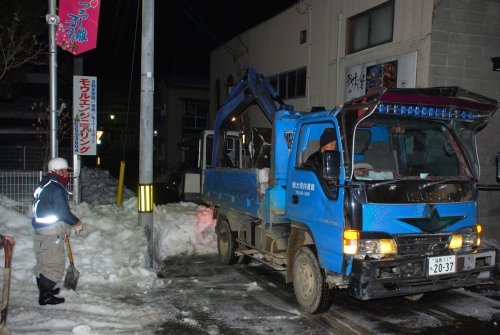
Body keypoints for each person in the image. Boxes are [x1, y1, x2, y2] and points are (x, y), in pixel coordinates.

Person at [31, 157, 83, 305]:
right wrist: (77, 223)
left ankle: (44, 290)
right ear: (57, 171)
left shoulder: (45, 184)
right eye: (65, 171)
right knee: (54, 264)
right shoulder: (55, 188)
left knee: (43, 263)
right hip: (50, 233)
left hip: (41, 231)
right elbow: (63, 213)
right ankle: (45, 296)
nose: (67, 174)